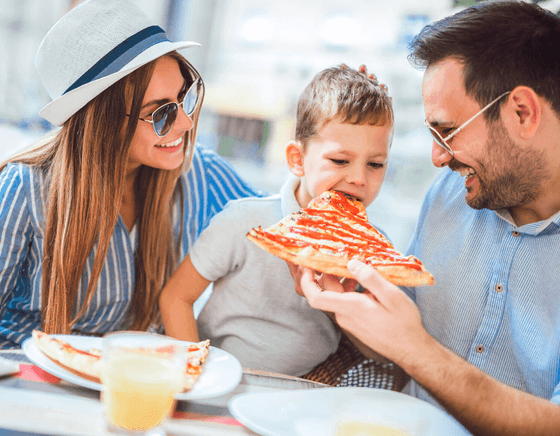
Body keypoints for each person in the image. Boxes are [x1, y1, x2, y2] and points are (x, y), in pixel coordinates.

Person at [290, 1, 560, 435]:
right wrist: (347, 300)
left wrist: (416, 349)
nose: (437, 158)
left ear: (522, 113)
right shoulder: (452, 195)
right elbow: (396, 338)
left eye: (447, 131)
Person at [0, 0, 261, 349]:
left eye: (185, 98)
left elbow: (287, 228)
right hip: (35, 381)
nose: (185, 122)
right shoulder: (23, 188)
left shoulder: (200, 171)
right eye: (161, 113)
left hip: (140, 381)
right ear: (101, 124)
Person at [159, 64, 394, 376]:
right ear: (297, 159)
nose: (359, 178)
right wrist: (194, 376)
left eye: (376, 164)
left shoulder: (375, 250)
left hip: (306, 395)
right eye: (340, 160)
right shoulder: (246, 221)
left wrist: (338, 302)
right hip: (220, 381)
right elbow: (176, 297)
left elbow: (380, 352)